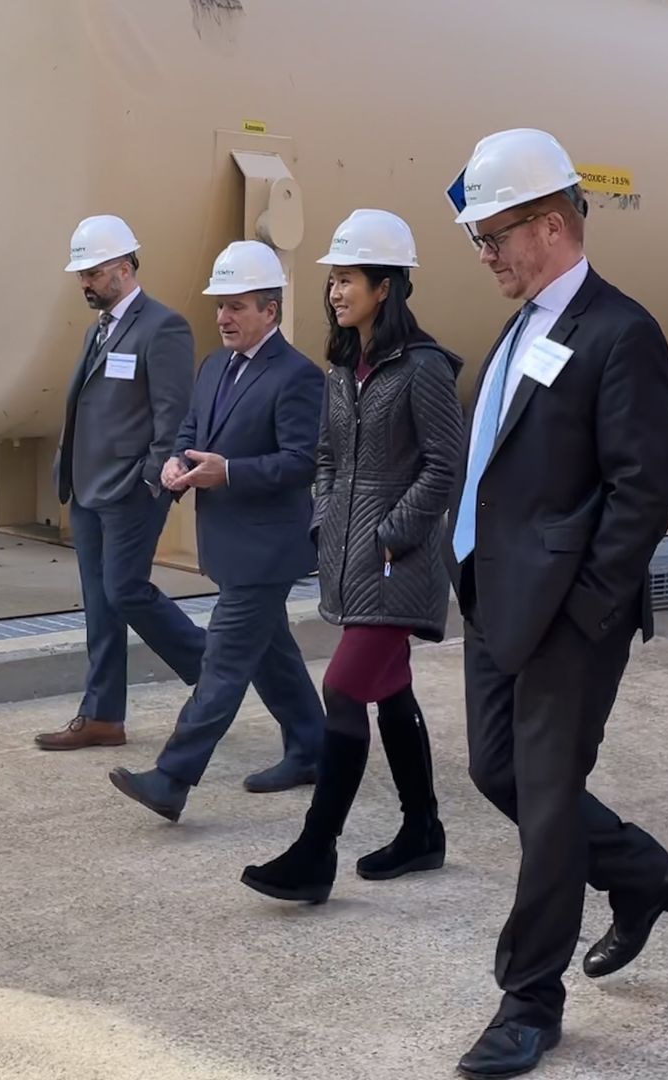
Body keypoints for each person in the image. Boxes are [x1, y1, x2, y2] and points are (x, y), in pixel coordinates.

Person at [442, 128, 668, 1078]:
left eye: (494, 236)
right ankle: (644, 874)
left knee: (546, 808)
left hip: (567, 618)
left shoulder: (621, 332)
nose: (486, 254)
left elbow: (642, 493)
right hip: (494, 599)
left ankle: (527, 1003)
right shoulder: (523, 326)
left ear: (551, 225)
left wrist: (590, 611)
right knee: (498, 775)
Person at [239, 209, 464, 904]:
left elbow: (443, 466)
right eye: (333, 279)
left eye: (349, 278)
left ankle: (316, 851)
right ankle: (423, 829)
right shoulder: (343, 365)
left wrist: (391, 532)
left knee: (342, 688)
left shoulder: (423, 367)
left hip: (400, 559)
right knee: (388, 689)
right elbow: (329, 455)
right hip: (350, 551)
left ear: (386, 286)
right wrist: (327, 514)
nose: (336, 291)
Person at [108, 240, 327, 821]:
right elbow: (191, 428)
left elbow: (303, 461)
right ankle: (313, 746)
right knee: (271, 654)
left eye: (237, 307)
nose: (224, 318)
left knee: (224, 663)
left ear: (270, 311)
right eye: (220, 307)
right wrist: (177, 464)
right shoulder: (214, 367)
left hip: (267, 548)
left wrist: (228, 471)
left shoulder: (298, 376)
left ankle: (173, 779)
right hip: (229, 545)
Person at [36, 215, 207, 751]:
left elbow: (174, 414)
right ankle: (103, 716)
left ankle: (216, 666)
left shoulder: (164, 326)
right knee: (100, 604)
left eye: (92, 272)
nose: (84, 283)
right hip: (88, 490)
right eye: (80, 274)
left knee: (125, 591)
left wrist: (154, 481)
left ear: (125, 266)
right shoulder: (99, 330)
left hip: (132, 491)